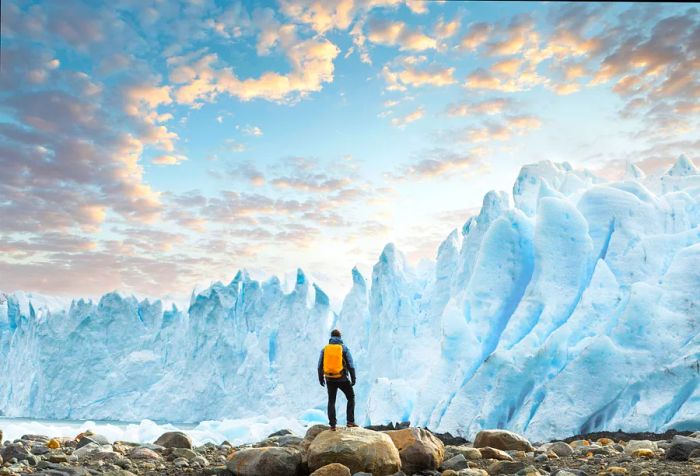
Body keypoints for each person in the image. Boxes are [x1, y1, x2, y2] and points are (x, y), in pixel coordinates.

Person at [318, 329, 357, 430]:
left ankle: (332, 425)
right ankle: (350, 422)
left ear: (331, 337)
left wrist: (321, 377)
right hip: (342, 378)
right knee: (351, 397)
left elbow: (320, 365)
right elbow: (350, 364)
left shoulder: (325, 349)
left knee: (331, 401)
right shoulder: (343, 348)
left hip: (329, 379)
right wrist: (353, 378)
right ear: (340, 337)